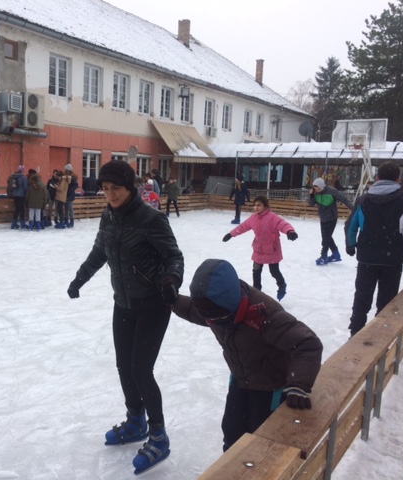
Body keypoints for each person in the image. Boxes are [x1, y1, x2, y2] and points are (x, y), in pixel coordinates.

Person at [66, 160, 184, 475]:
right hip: (124, 302)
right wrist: (79, 279)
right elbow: (99, 253)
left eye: (115, 188)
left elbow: (173, 256)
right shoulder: (109, 217)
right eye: (105, 189)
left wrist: (172, 281)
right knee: (123, 367)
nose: (110, 194)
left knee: (141, 369)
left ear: (129, 187)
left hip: (153, 304)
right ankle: (136, 420)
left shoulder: (151, 219)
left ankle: (158, 435)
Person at [171, 259, 323, 452]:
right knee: (232, 430)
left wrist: (298, 385)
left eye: (217, 317)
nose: (211, 321)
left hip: (270, 385)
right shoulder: (214, 307)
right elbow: (195, 311)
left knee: (262, 434)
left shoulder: (265, 314)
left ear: (230, 304)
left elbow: (307, 344)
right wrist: (173, 301)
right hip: (241, 379)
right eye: (208, 318)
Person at [344, 161, 403, 337]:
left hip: (367, 257)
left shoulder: (364, 199)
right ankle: (380, 335)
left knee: (362, 295)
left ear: (377, 178)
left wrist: (350, 243)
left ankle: (356, 330)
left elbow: (351, 225)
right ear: (398, 179)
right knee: (387, 300)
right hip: (392, 260)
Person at [222, 195, 297, 301]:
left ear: (265, 206)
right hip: (258, 249)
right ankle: (256, 292)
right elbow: (243, 227)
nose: (256, 208)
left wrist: (290, 231)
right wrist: (231, 234)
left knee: (274, 271)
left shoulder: (272, 217)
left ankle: (282, 285)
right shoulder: (253, 218)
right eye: (255, 205)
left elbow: (282, 224)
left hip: (272, 249)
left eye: (259, 205)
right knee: (256, 271)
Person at [308, 176, 354, 265]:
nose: (317, 190)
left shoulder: (332, 191)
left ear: (322, 186)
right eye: (315, 188)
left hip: (332, 218)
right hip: (323, 218)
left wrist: (353, 208)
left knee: (325, 239)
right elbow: (311, 204)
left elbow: (344, 199)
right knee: (326, 237)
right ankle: (336, 254)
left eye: (318, 188)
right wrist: (311, 195)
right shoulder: (315, 193)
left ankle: (323, 256)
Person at [9, 165, 29, 230]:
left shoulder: (14, 177)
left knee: (17, 209)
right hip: (21, 195)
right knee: (22, 209)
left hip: (15, 195)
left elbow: (11, 186)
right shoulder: (23, 177)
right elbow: (25, 187)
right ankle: (22, 223)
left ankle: (14, 223)